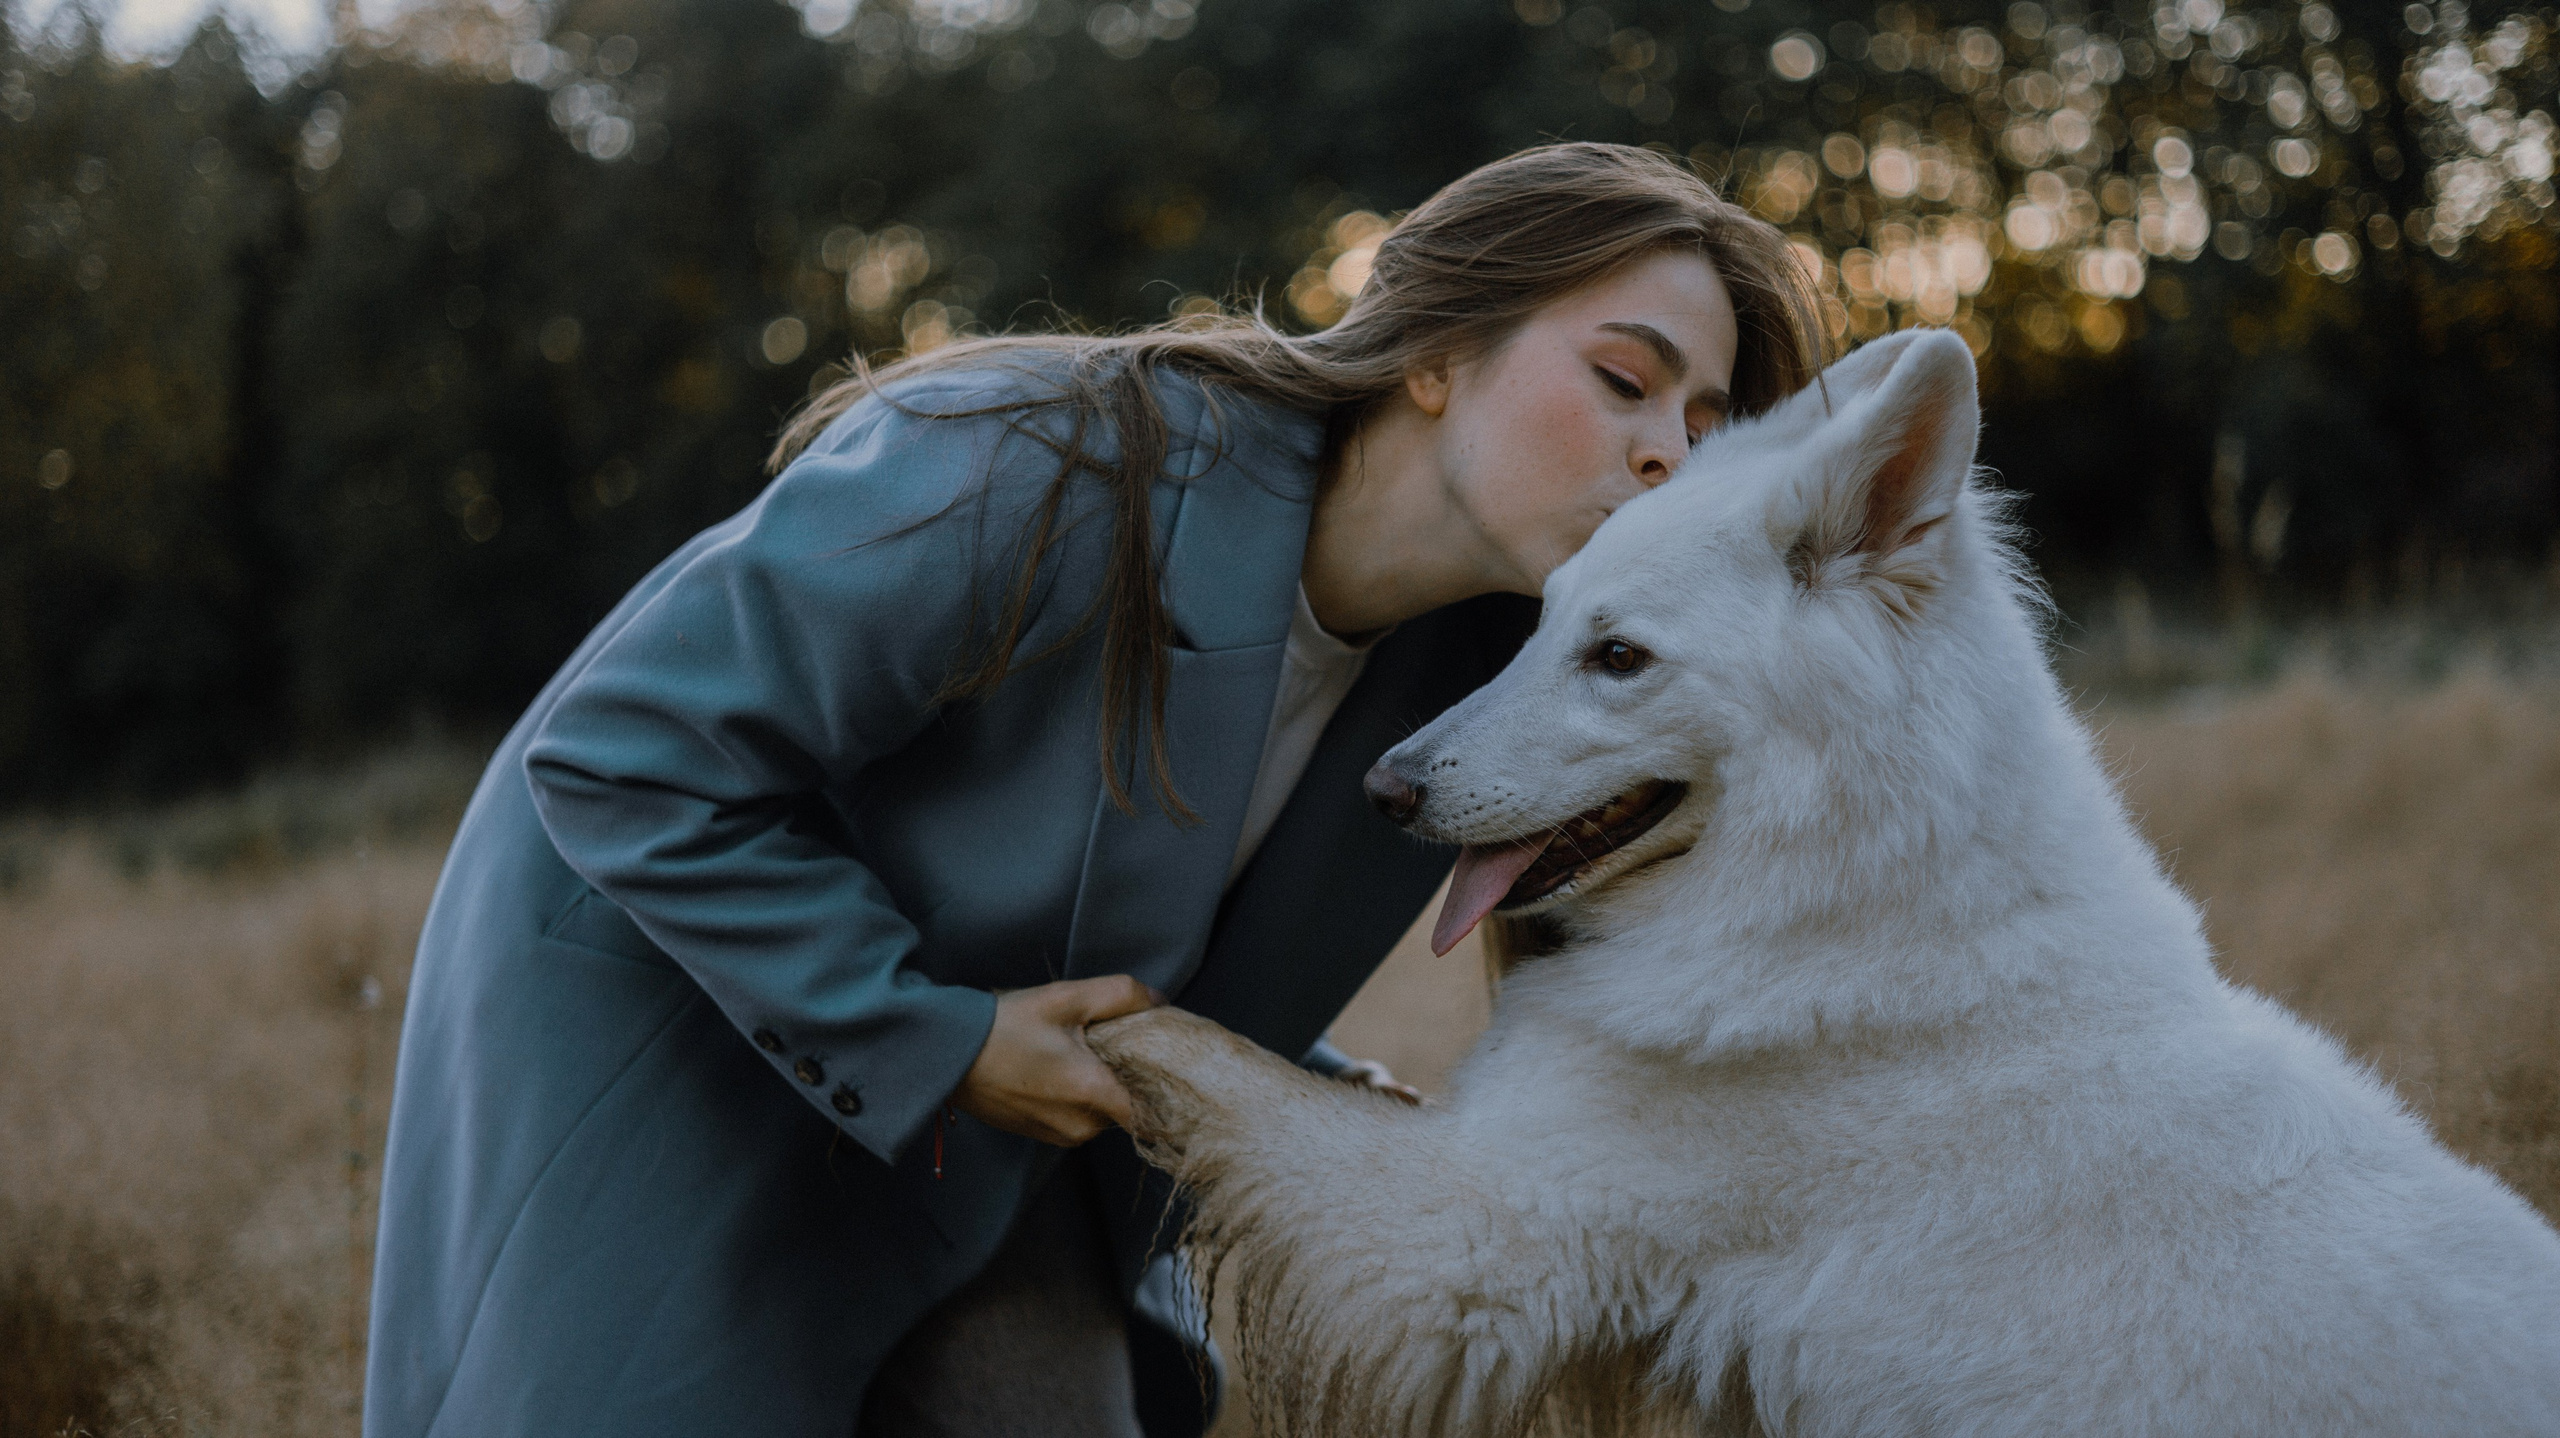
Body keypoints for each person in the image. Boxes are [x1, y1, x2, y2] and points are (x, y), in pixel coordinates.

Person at [363, 141, 1824, 1438]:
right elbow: (625, 748)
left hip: (992, 1097)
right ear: (1434, 351)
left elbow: (1110, 898)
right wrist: (928, 1036)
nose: (1665, 454)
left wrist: (1293, 1088)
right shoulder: (1042, 459)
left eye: (1704, 429)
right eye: (1627, 382)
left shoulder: (1500, 681)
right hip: (670, 996)